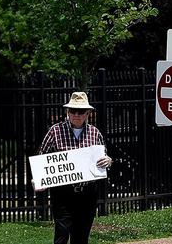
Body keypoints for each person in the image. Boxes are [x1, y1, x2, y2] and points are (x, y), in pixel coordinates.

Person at [39, 92, 114, 244]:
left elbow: (103, 158)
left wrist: (108, 161)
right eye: (72, 110)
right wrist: (39, 179)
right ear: (67, 112)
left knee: (81, 236)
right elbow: (42, 158)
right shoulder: (55, 131)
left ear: (88, 113)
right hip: (62, 193)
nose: (76, 115)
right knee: (62, 234)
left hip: (87, 194)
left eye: (80, 111)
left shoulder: (95, 133)